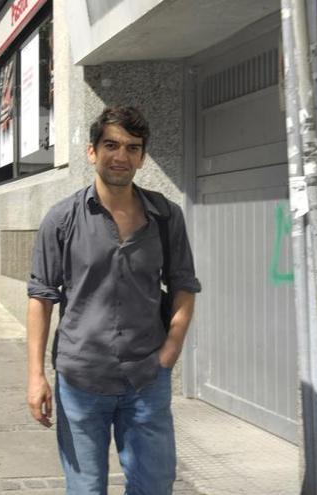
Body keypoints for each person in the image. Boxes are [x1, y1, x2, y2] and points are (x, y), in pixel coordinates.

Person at [26, 106, 201, 494]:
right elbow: (41, 297)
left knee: (154, 484)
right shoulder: (61, 219)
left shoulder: (165, 216)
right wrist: (36, 375)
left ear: (141, 157)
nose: (121, 156)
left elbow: (183, 284)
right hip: (81, 379)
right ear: (92, 151)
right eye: (111, 145)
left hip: (145, 378)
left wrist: (170, 349)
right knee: (86, 488)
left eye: (132, 148)